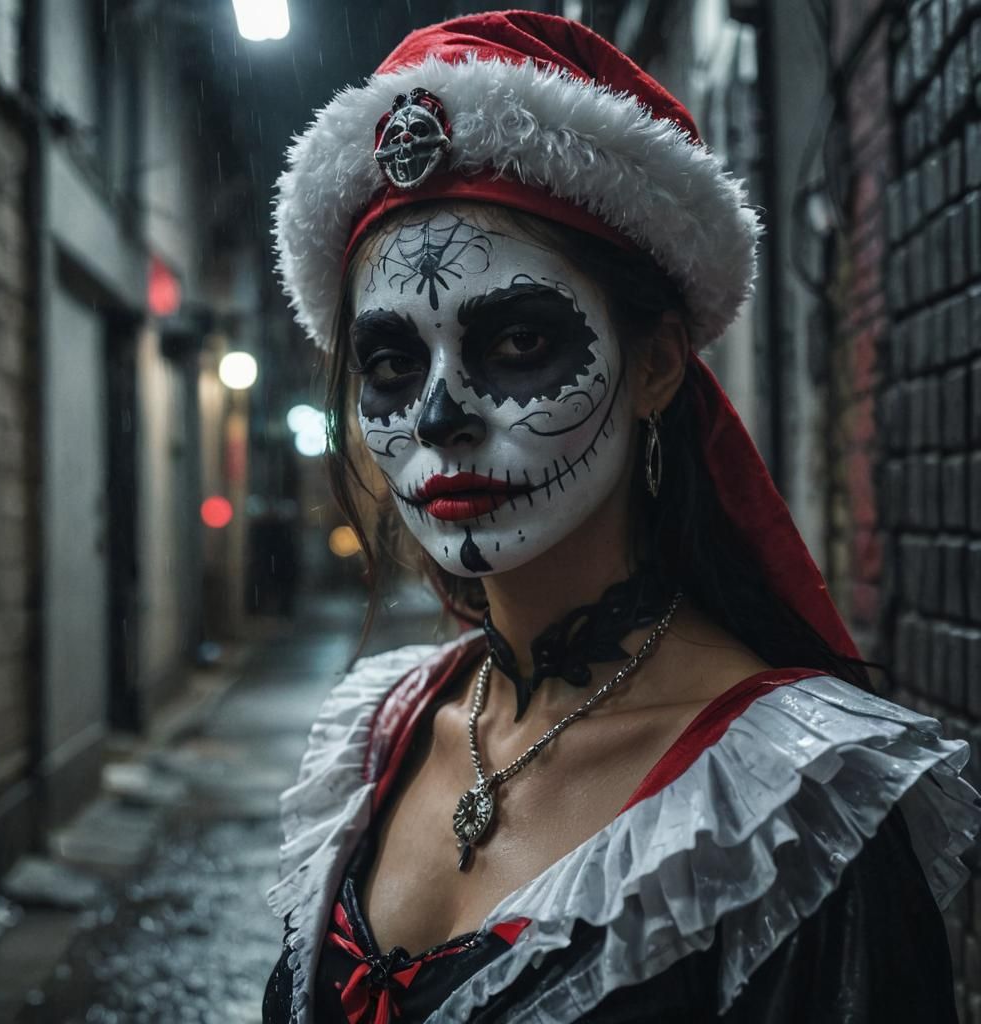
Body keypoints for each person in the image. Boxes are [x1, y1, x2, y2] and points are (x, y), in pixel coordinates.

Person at [263, 11, 981, 1022]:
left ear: (654, 363)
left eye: (516, 341)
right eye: (390, 362)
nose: (438, 418)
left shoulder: (790, 815)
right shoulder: (379, 741)